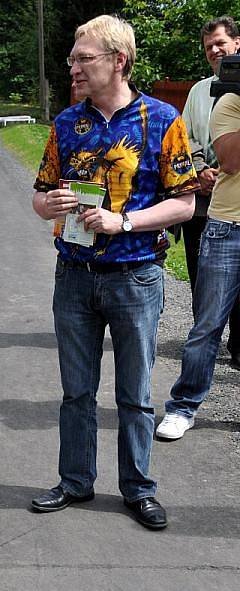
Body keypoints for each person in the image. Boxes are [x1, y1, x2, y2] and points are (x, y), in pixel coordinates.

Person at [31, 15, 198, 530]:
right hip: (75, 274)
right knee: (76, 390)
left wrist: (121, 220)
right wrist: (52, 202)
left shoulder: (162, 119)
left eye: (84, 58)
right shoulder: (66, 123)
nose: (74, 68)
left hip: (136, 276)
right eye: (72, 59)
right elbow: (39, 199)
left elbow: (186, 204)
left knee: (134, 393)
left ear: (118, 61)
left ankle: (138, 489)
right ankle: (76, 482)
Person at [156, 91, 240, 441]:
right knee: (208, 324)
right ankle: (183, 407)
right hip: (228, 227)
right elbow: (231, 160)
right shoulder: (230, 101)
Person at [180, 16, 240, 368]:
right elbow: (184, 135)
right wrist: (200, 167)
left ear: (236, 43)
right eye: (208, 47)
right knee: (201, 274)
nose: (215, 51)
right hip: (203, 199)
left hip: (233, 199)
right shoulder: (199, 91)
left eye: (220, 43)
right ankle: (207, 340)